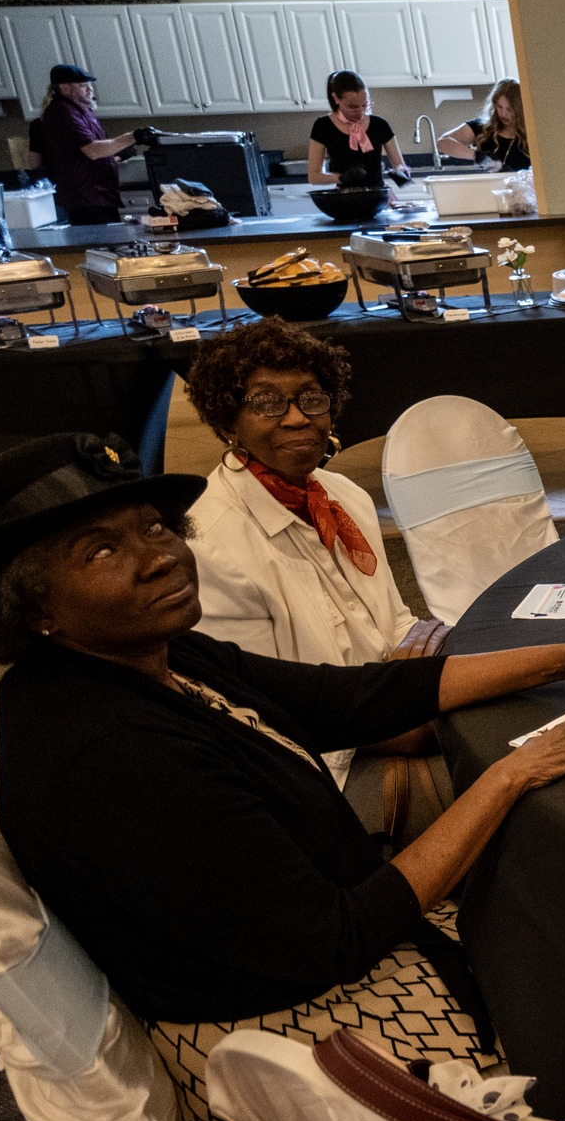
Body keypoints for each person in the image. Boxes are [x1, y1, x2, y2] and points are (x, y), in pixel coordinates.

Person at [0, 431, 565, 1121]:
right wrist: (515, 770)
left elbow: (352, 697)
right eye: (102, 549)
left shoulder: (150, 655)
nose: (160, 556)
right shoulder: (109, 757)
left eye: (154, 526)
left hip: (324, 948)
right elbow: (335, 938)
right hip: (290, 1044)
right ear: (32, 606)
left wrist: (562, 657)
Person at [181, 318, 452, 839]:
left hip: (389, 709)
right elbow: (261, 718)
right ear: (227, 421)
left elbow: (399, 625)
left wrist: (410, 685)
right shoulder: (209, 544)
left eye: (311, 398)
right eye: (266, 402)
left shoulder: (341, 495)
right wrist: (409, 712)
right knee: (513, 776)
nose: (296, 419)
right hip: (321, 775)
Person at [37, 64, 142, 225]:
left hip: (100, 196)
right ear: (64, 88)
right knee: (103, 246)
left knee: (112, 245)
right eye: (83, 86)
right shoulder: (62, 112)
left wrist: (120, 151)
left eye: (89, 85)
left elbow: (95, 151)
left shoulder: (82, 111)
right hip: (85, 198)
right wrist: (132, 136)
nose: (90, 90)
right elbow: (92, 151)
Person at [308, 70, 408, 190]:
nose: (360, 112)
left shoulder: (380, 124)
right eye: (353, 107)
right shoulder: (323, 126)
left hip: (377, 197)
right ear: (336, 98)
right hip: (345, 199)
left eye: (364, 105)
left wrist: (400, 173)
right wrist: (341, 177)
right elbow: (313, 177)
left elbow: (400, 165)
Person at [437, 77, 530, 171]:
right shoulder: (482, 128)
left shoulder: (532, 132)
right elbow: (442, 143)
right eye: (499, 107)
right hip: (490, 185)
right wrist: (477, 156)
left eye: (509, 109)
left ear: (520, 109)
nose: (503, 114)